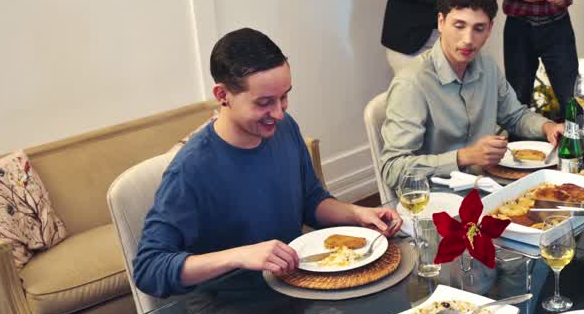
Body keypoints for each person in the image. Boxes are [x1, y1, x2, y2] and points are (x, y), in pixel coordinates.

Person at [134, 29, 402, 298]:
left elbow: (311, 201)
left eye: (284, 96)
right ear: (222, 95)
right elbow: (148, 268)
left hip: (295, 289)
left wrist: (357, 214)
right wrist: (239, 256)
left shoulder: (284, 129)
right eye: (264, 103)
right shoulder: (191, 169)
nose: (278, 112)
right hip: (230, 311)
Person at [379, 0, 564, 193]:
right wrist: (464, 156)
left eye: (479, 28)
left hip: (486, 188)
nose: (468, 39)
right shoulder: (411, 83)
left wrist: (547, 127)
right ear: (441, 22)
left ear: (489, 30)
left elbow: (515, 115)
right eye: (459, 26)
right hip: (435, 200)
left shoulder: (487, 64)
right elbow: (392, 169)